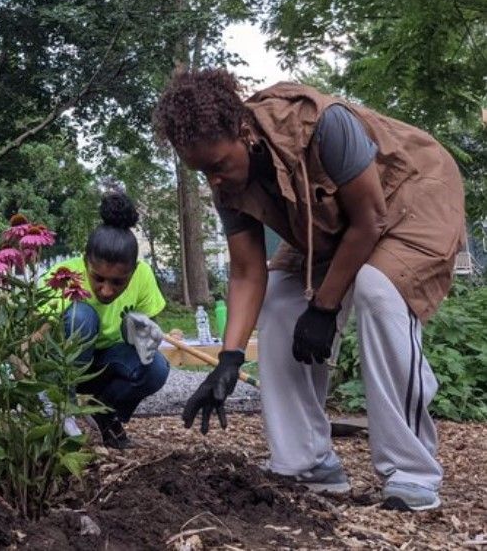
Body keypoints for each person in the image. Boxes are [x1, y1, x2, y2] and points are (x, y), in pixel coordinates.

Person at [154, 69, 465, 512]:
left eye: (219, 165)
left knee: (378, 290)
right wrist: (229, 359)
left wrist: (324, 306)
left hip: (412, 197)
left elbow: (369, 220)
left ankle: (411, 470)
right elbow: (247, 273)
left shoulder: (321, 124)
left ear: (244, 132)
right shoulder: (227, 179)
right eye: (202, 171)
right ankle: (307, 462)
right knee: (281, 303)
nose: (214, 181)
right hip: (330, 224)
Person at [42, 191, 170, 448]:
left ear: (133, 271)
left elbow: (149, 330)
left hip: (106, 366)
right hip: (63, 367)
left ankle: (104, 410)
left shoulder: (143, 276)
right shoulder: (63, 275)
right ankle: (62, 408)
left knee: (156, 368)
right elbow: (34, 337)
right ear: (85, 261)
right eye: (98, 278)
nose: (106, 290)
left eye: (118, 282)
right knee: (81, 315)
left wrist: (144, 333)